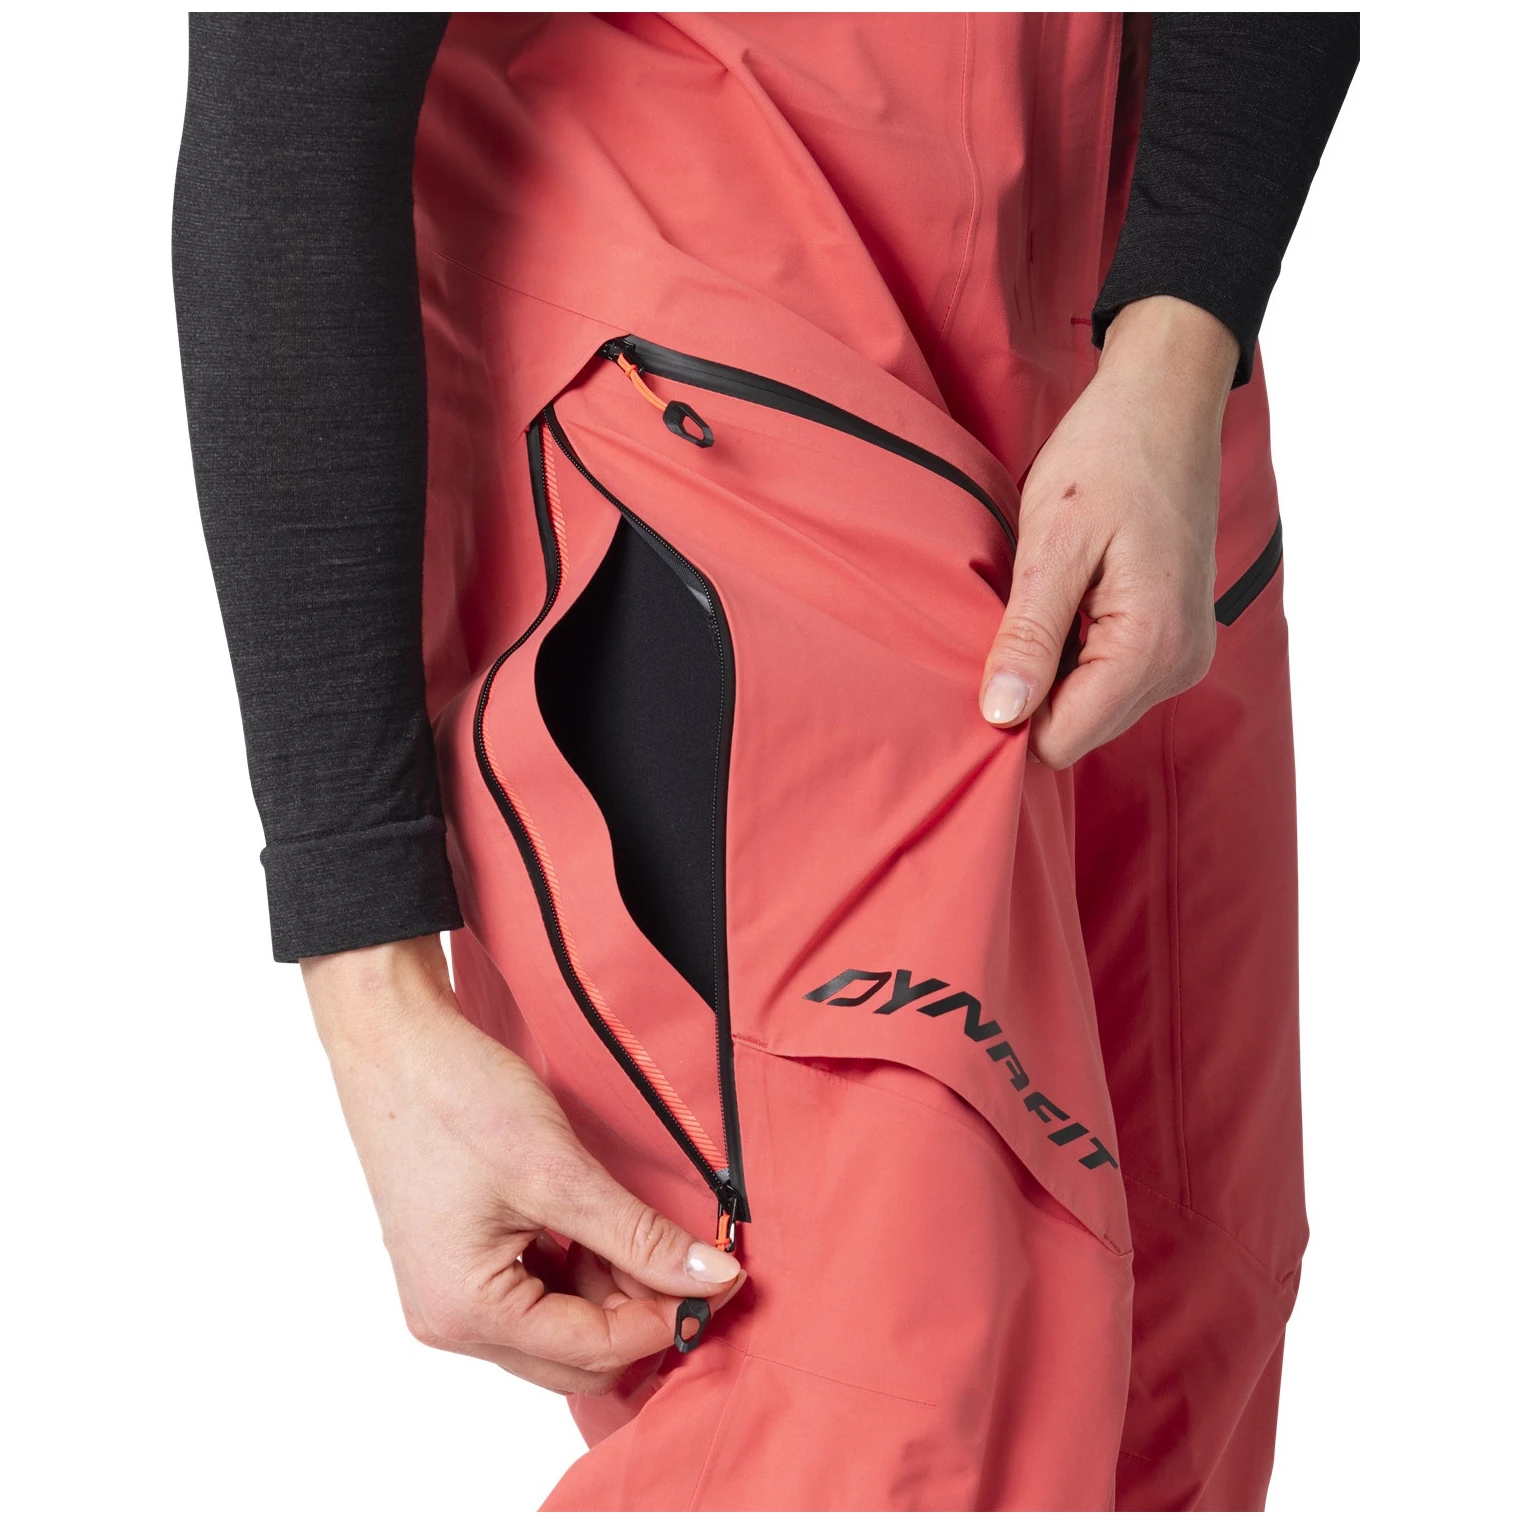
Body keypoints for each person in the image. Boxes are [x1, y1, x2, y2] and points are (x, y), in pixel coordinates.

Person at [174, 12, 1358, 1510]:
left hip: (1132, 374)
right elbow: (285, 115)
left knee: (1181, 1362)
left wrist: (1181, 337)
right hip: (696, 376)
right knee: (889, 1395)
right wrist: (376, 997)